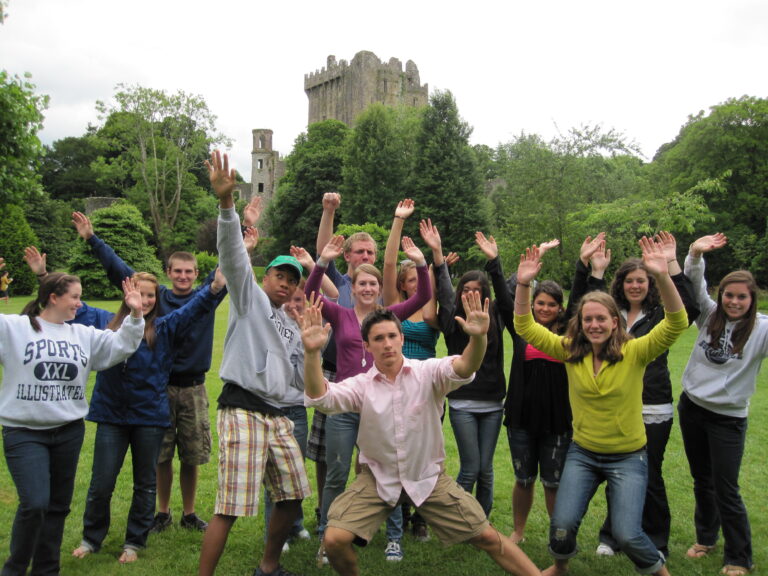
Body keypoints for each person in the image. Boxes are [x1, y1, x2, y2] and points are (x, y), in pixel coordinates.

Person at [301, 294, 540, 576]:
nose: (387, 344)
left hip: (428, 477)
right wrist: (312, 353)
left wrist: (478, 339)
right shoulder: (361, 386)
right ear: (366, 346)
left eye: (392, 336)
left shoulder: (428, 372)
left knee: (485, 535)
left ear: (402, 339)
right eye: (378, 339)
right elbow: (321, 397)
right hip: (377, 479)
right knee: (334, 539)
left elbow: (465, 366)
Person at [514, 237, 688, 576]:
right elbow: (524, 326)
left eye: (601, 319)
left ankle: (659, 571)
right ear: (580, 323)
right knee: (561, 525)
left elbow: (676, 322)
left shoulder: (635, 351)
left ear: (614, 322)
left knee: (627, 533)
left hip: (628, 456)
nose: (594, 325)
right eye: (588, 319)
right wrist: (523, 285)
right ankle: (560, 567)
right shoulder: (569, 350)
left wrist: (664, 275)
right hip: (584, 452)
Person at [71, 211, 225, 533]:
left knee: (192, 456)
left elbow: (221, 279)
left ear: (197, 274)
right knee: (161, 456)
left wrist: (241, 241)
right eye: (177, 271)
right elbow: (121, 272)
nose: (183, 276)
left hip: (192, 386)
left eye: (189, 272)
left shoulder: (200, 299)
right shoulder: (156, 297)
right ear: (168, 273)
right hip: (157, 390)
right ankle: (162, 512)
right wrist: (92, 238)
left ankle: (189, 512)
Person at [199, 150, 310, 576]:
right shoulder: (249, 300)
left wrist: (313, 349)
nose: (285, 283)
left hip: (279, 415)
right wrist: (228, 206)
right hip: (243, 407)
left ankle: (268, 567)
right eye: (279, 276)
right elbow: (231, 256)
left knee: (292, 494)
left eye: (292, 279)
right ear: (265, 278)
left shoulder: (292, 324)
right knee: (231, 503)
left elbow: (301, 375)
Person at [0, 271, 145, 576]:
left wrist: (134, 313)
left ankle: (46, 569)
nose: (80, 304)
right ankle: (14, 569)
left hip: (68, 432)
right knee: (36, 503)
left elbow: (121, 345)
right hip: (24, 433)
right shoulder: (14, 328)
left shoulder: (82, 335)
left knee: (57, 507)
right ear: (53, 297)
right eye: (75, 297)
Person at [305, 229, 431, 563]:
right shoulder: (341, 314)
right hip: (346, 405)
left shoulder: (386, 318)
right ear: (354, 287)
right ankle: (324, 536)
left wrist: (420, 264)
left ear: (378, 288)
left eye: (373, 284)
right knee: (336, 471)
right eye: (361, 284)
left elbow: (420, 299)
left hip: (381, 405)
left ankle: (393, 537)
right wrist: (321, 263)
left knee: (385, 472)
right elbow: (310, 292)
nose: (367, 288)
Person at [574, 232, 699, 558]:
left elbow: (688, 309)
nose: (635, 286)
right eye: (629, 280)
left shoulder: (659, 315)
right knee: (617, 471)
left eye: (641, 281)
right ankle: (612, 536)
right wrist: (595, 271)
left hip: (653, 404)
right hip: (615, 404)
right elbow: (588, 306)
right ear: (621, 284)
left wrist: (670, 265)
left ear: (650, 284)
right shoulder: (610, 316)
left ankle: (656, 540)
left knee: (650, 474)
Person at [678, 233, 766, 576]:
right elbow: (695, 284)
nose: (734, 302)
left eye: (741, 297)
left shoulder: (760, 329)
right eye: (729, 295)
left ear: (751, 298)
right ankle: (706, 538)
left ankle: (739, 556)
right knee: (702, 480)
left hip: (727, 419)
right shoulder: (709, 316)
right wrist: (695, 254)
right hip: (693, 408)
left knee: (726, 487)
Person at [420, 221, 506, 519]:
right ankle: (453, 517)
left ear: (486, 294)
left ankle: (481, 522)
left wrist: (495, 262)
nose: (470, 295)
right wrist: (438, 253)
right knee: (471, 466)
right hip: (463, 402)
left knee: (486, 469)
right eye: (466, 290)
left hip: (493, 403)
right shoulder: (453, 318)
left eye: (477, 291)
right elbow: (443, 290)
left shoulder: (496, 315)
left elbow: (507, 294)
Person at [501, 239, 571, 545]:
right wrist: (522, 279)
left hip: (557, 419)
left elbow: (581, 294)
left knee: (554, 483)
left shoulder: (570, 334)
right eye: (540, 303)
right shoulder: (521, 329)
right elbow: (508, 302)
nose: (544, 308)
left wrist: (585, 267)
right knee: (524, 479)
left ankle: (557, 534)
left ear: (560, 308)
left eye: (551, 304)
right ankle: (518, 531)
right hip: (521, 416)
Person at [382, 199, 439, 542]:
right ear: (403, 285)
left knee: (427, 450)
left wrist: (429, 260)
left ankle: (422, 515)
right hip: (396, 382)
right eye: (411, 280)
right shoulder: (395, 307)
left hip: (427, 383)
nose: (416, 285)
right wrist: (398, 222)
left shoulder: (430, 306)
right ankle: (399, 511)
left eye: (420, 279)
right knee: (398, 448)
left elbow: (432, 305)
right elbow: (388, 264)